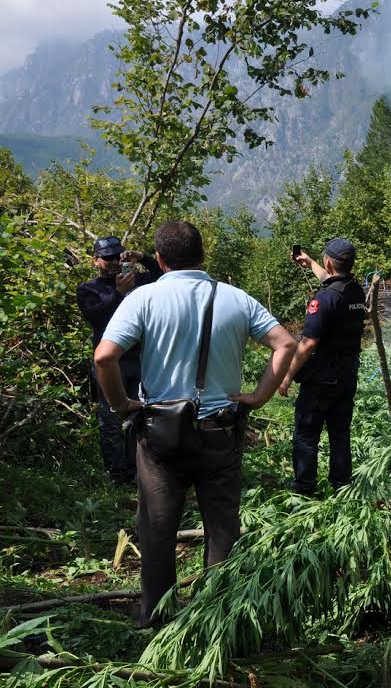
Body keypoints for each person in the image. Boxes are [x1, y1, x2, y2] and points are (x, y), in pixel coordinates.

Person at [93, 220, 296, 627]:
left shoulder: (143, 298)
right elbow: (286, 343)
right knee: (222, 528)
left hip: (159, 434)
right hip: (220, 433)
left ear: (162, 259)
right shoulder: (237, 299)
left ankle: (156, 617)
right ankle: (214, 617)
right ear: (203, 256)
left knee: (157, 527)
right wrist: (258, 397)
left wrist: (121, 406)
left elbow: (104, 357)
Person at [279, 238, 368, 495]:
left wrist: (287, 376)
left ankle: (304, 489)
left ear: (329, 262)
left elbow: (307, 344)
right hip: (347, 374)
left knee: (306, 435)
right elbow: (332, 280)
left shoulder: (324, 299)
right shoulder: (356, 291)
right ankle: (342, 489)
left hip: (322, 378)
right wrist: (309, 263)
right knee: (340, 433)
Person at [77, 236, 163, 485]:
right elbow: (96, 317)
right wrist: (119, 292)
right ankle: (117, 473)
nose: (115, 262)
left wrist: (141, 257)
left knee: (142, 412)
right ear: (95, 261)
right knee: (111, 416)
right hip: (109, 361)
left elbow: (162, 273)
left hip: (139, 358)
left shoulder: (136, 280)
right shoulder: (89, 289)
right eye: (108, 258)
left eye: (118, 256)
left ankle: (139, 469)